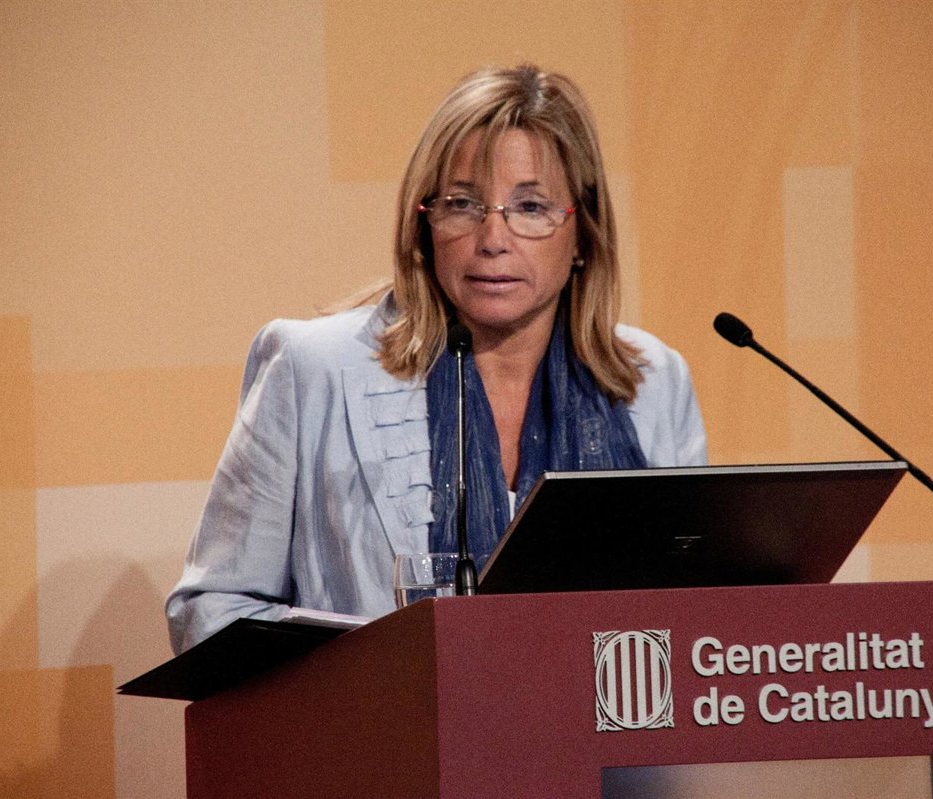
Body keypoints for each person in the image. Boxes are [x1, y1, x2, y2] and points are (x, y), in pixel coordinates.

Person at [166, 64, 707, 655]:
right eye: (463, 204)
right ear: (424, 224)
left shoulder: (654, 382)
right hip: (386, 714)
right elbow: (211, 613)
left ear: (583, 234)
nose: (493, 239)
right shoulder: (312, 369)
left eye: (530, 207)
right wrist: (368, 679)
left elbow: (700, 608)